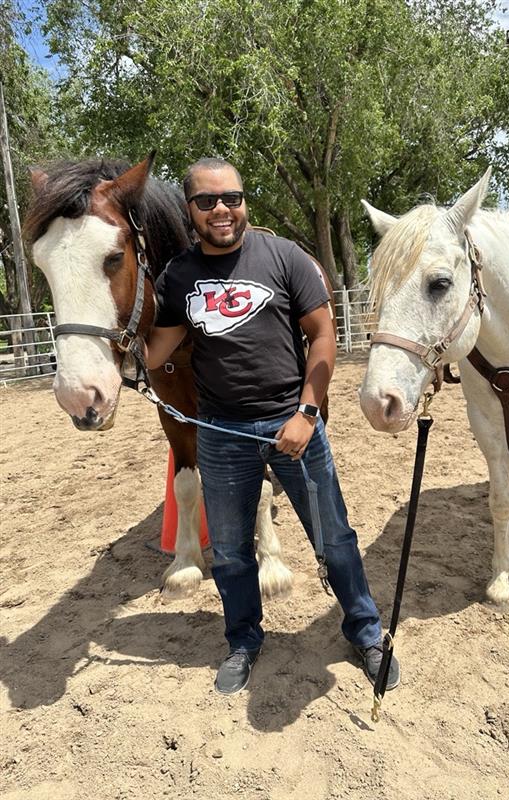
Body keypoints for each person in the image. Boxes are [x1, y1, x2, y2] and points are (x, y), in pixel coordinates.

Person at [145, 157, 399, 695]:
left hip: (293, 427)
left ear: (245, 201)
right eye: (207, 201)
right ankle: (243, 641)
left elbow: (324, 339)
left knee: (335, 538)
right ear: (190, 209)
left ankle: (367, 632)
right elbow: (157, 350)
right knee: (234, 552)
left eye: (231, 198)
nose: (222, 210)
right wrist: (109, 351)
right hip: (220, 434)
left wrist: (307, 413)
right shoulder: (179, 276)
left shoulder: (285, 258)